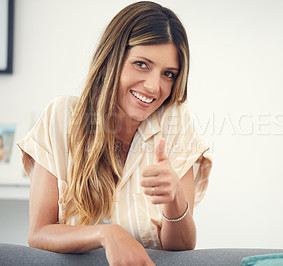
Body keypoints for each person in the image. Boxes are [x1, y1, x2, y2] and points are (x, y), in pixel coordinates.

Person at [17, 1, 212, 265]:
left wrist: (175, 199)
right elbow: (39, 233)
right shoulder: (62, 116)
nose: (154, 87)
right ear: (112, 57)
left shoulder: (176, 122)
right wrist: (106, 234)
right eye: (142, 64)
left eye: (168, 74)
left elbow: (182, 247)